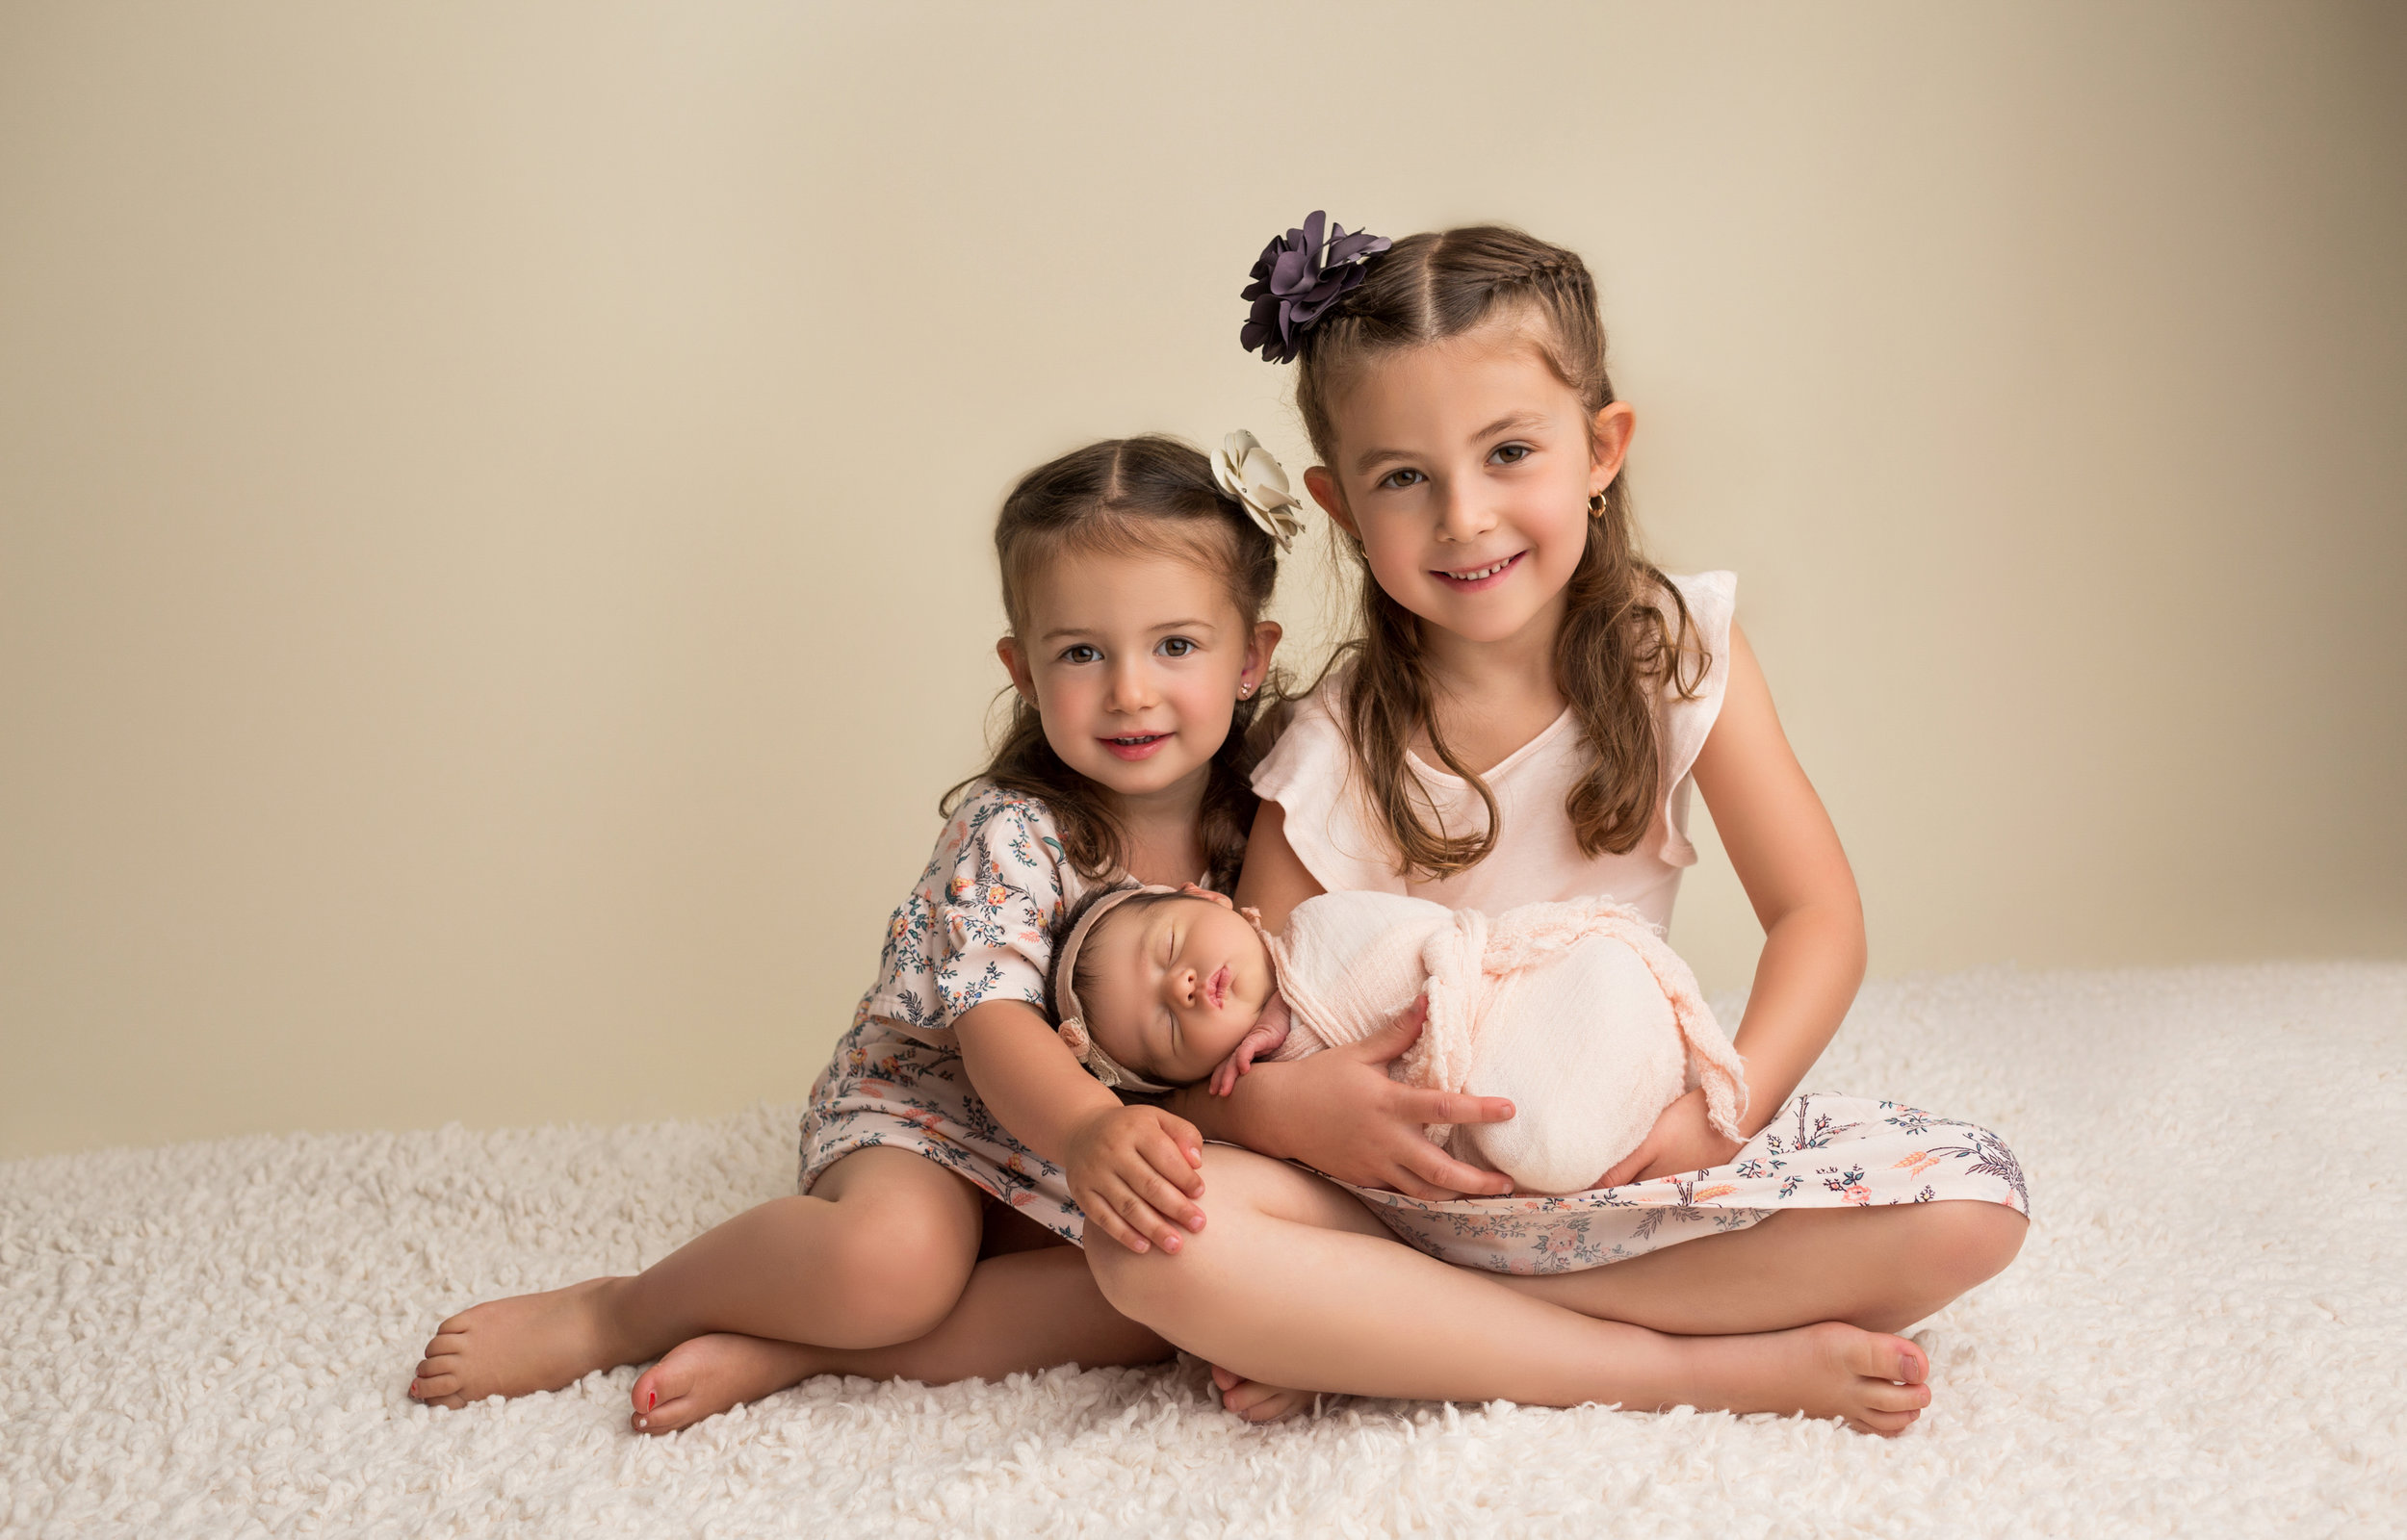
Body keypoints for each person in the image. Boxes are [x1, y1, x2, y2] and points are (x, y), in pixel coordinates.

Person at [1085, 218, 2030, 1435]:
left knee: (1973, 1202)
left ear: (1601, 448)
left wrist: (1719, 1115)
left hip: (1624, 1167)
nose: (1464, 518)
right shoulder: (1329, 740)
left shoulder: (1676, 653)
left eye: (1509, 452)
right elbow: (1239, 1005)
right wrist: (1288, 1111)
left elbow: (1817, 915)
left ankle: (1394, 1333)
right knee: (1152, 1247)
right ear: (1338, 504)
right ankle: (1681, 1366)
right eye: (1403, 478)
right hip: (1395, 1190)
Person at [409, 434, 1338, 1433]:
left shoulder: (1270, 814)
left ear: (1251, 657)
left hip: (1094, 1153)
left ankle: (797, 1347)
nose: (1130, 690)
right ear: (1021, 669)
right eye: (1081, 651)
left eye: (1175, 645)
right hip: (936, 1112)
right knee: (895, 1262)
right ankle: (621, 1307)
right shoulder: (1014, 828)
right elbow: (993, 1031)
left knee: (1161, 1278)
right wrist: (1082, 1130)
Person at [1048, 882, 1749, 1196]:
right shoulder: (1276, 1094)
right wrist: (1284, 1042)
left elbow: (1413, 944)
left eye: (1171, 944)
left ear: (1209, 898)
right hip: (1487, 1103)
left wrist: (1290, 1007)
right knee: (1535, 1139)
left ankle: (1620, 1043)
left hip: (1498, 986)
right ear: (1192, 1077)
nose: (1185, 987)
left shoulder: (1319, 922)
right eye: (1169, 1028)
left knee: (1596, 973)